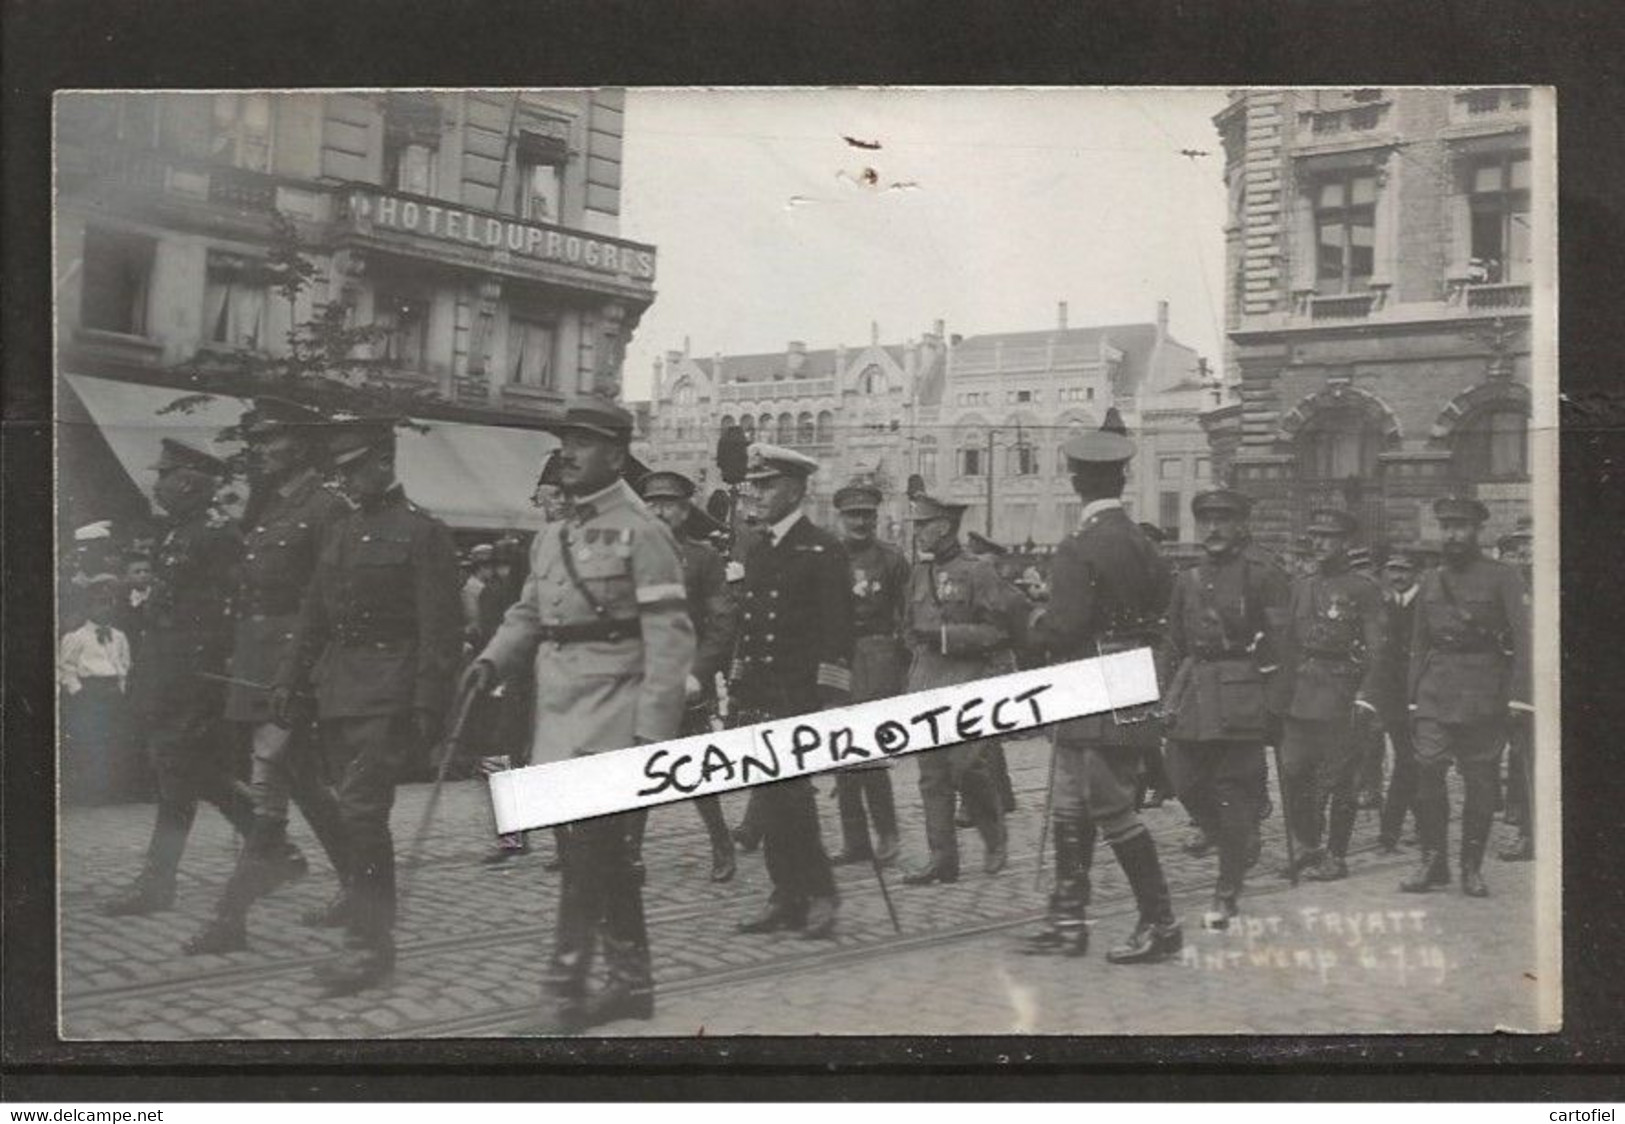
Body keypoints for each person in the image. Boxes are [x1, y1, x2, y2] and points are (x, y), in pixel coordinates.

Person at [465, 400, 694, 1032]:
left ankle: (564, 991)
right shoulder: (554, 534)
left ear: (616, 455)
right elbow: (528, 614)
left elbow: (670, 636)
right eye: (565, 440)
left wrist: (652, 731)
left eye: (583, 443)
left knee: (587, 854)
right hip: (560, 712)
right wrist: (491, 661)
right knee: (599, 855)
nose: (568, 451)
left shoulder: (644, 532)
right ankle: (631, 983)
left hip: (615, 715)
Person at [272, 417, 463, 995]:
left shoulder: (423, 533)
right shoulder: (341, 531)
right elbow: (313, 615)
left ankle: (370, 944)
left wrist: (430, 705)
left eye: (356, 467)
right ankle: (365, 930)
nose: (348, 479)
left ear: (385, 461)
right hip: (339, 690)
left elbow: (440, 629)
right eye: (342, 469)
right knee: (354, 813)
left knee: (360, 813)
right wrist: (289, 678)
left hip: (390, 688)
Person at [183, 398, 353, 954]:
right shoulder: (270, 507)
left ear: (301, 444)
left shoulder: (326, 507)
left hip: (291, 668)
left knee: (270, 784)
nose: (258, 449)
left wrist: (304, 672)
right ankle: (364, 886)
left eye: (269, 439)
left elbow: (328, 599)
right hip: (258, 664)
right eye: (254, 440)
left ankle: (230, 917)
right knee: (303, 784)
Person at [1021, 417, 1180, 964]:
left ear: (1074, 480)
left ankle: (1161, 924)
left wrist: (1033, 619)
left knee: (1108, 805)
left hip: (1088, 681)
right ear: (1122, 477)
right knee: (1074, 800)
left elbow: (1064, 627)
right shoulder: (1143, 542)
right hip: (1129, 677)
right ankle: (1068, 921)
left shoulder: (1079, 546)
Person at [101, 440, 256, 917]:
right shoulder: (179, 532)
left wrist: (203, 674)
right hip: (168, 673)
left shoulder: (215, 534)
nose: (157, 483)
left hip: (194, 676)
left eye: (164, 475)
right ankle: (273, 845)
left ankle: (158, 882)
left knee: (179, 773)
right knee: (194, 773)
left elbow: (230, 611)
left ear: (188, 482)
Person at [729, 443, 851, 939]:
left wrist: (827, 702)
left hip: (800, 696)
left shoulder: (822, 549)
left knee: (792, 799)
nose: (756, 495)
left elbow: (839, 635)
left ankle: (819, 893)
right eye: (754, 485)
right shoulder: (759, 549)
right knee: (772, 798)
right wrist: (739, 686)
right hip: (762, 693)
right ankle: (787, 893)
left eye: (768, 484)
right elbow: (750, 627)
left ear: (797, 490)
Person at [1160, 489, 1290, 929]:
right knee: (1182, 779)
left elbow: (1282, 646)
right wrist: (1165, 698)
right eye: (1207, 520)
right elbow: (1173, 644)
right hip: (1195, 695)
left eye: (1223, 519)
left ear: (1241, 526)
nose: (1213, 528)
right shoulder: (1188, 579)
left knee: (1233, 793)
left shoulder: (1262, 575)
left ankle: (1227, 890)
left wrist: (1273, 709)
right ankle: (1232, 835)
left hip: (1241, 696)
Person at [1401, 497, 1531, 897]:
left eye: (1460, 527)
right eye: (1446, 527)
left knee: (1480, 780)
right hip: (1435, 691)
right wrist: (1411, 697)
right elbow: (1419, 642)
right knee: (1426, 769)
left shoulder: (1503, 577)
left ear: (1478, 531)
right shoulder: (1431, 580)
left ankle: (1470, 866)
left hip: (1482, 691)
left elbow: (1524, 639)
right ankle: (1433, 860)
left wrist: (1519, 697)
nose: (1451, 535)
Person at [899, 495, 1011, 885]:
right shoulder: (918, 575)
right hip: (927, 683)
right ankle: (942, 859)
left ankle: (994, 836)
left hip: (966, 683)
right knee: (931, 775)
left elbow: (999, 630)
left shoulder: (978, 572)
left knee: (966, 768)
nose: (916, 532)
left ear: (943, 527)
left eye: (922, 524)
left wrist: (946, 637)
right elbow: (908, 627)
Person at [637, 468, 741, 882]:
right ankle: (630, 853)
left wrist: (699, 673)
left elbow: (722, 622)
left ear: (685, 512)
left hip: (685, 680)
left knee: (695, 768)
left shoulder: (702, 558)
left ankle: (721, 842)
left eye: (670, 505)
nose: (660, 512)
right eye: (653, 504)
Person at [1276, 508, 1386, 884]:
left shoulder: (1363, 588)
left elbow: (1378, 648)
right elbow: (1288, 644)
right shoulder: (1302, 586)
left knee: (1341, 780)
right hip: (1301, 694)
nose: (1319, 543)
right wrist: (1279, 694)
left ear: (1346, 542)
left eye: (1328, 537)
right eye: (1315, 536)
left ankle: (1337, 855)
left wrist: (1366, 697)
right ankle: (1307, 845)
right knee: (1293, 774)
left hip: (1341, 693)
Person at [830, 482, 907, 866]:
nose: (860, 521)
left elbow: (906, 617)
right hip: (834, 660)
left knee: (871, 757)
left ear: (876, 517)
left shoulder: (892, 560)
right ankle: (854, 841)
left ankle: (888, 835)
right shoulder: (826, 557)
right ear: (839, 518)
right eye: (852, 515)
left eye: (867, 514)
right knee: (841, 757)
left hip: (876, 659)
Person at [58, 576, 132, 806]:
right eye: (100, 602)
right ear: (88, 606)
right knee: (90, 741)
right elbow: (65, 666)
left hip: (112, 692)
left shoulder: (119, 636)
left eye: (110, 602)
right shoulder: (76, 637)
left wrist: (120, 688)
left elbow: (125, 664)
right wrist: (77, 691)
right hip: (89, 693)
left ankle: (112, 790)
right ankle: (89, 792)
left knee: (114, 740)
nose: (105, 607)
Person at [1376, 549, 1423, 853]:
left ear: (1417, 573)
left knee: (1414, 763)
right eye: (1392, 569)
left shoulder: (1426, 605)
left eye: (1404, 570)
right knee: (1410, 762)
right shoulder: (1385, 606)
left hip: (1423, 698)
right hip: (1394, 701)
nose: (1397, 576)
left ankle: (1390, 834)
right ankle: (1418, 826)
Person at [1496, 527, 1536, 863]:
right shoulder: (1514, 591)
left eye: (1531, 548)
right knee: (1523, 760)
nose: (1525, 555)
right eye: (1520, 550)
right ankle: (1526, 833)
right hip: (1523, 691)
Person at [462, 544, 496, 645]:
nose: (493, 571)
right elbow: (474, 620)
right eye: (490, 567)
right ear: (481, 567)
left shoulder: (484, 586)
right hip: (479, 640)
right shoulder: (470, 589)